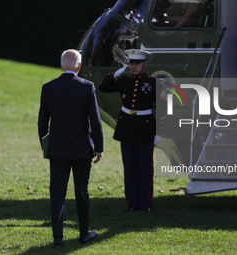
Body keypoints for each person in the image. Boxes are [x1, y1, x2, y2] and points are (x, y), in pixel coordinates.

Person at [38, 49, 103, 248]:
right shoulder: (87, 87)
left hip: (57, 149)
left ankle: (58, 238)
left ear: (61, 65)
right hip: (82, 148)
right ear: (79, 66)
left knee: (57, 193)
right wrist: (98, 147)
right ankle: (83, 234)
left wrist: (45, 145)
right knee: (81, 191)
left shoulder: (48, 88)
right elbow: (95, 121)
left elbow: (42, 123)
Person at [99, 49, 164, 213]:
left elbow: (164, 108)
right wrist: (118, 72)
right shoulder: (124, 81)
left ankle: (145, 204)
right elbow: (103, 87)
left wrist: (160, 132)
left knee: (144, 168)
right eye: (131, 63)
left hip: (145, 130)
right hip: (127, 129)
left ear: (144, 64)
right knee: (129, 168)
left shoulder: (154, 83)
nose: (133, 67)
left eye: (137, 63)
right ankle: (132, 204)